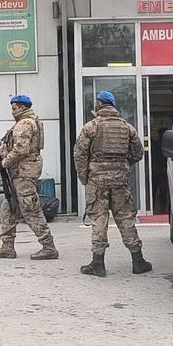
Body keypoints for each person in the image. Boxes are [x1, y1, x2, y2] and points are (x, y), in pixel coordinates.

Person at [74, 91, 152, 277]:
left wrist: (84, 177)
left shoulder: (91, 127)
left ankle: (98, 263)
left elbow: (79, 154)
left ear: (99, 104)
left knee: (99, 220)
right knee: (125, 218)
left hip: (97, 182)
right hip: (120, 181)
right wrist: (122, 165)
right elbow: (138, 153)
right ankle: (138, 261)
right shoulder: (127, 127)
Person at [0, 95, 59, 260]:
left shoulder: (25, 123)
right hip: (19, 174)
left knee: (31, 210)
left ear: (22, 107)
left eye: (14, 108)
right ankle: (7, 247)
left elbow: (21, 149)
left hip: (24, 174)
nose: (12, 111)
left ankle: (49, 247)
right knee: (8, 209)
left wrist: (4, 162)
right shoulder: (29, 122)